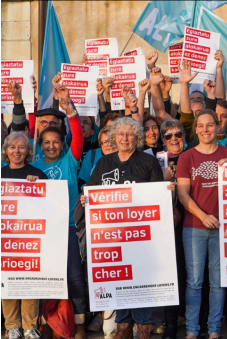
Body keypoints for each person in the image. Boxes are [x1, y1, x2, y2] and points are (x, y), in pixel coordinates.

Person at [82, 116, 165, 339]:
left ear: (137, 137)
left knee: (141, 281)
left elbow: (159, 199)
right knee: (121, 282)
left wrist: (168, 192)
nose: (125, 138)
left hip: (143, 237)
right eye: (120, 134)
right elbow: (90, 193)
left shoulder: (148, 162)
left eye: (129, 134)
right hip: (113, 238)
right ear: (114, 137)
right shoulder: (103, 164)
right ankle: (123, 326)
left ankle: (145, 327)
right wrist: (86, 200)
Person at [176, 110, 227, 339]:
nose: (205, 130)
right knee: (194, 282)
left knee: (218, 282)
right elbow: (183, 195)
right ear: (195, 129)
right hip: (195, 226)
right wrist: (203, 216)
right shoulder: (187, 157)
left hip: (224, 228)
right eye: (201, 126)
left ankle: (214, 330)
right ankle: (192, 331)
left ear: (217, 126)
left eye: (210, 125)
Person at [31, 85, 86, 339]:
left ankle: (79, 320)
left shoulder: (69, 160)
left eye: (56, 142)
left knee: (74, 276)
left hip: (70, 228)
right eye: (46, 142)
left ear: (63, 143)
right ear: (40, 144)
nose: (51, 146)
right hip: (44, 234)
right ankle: (50, 320)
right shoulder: (34, 165)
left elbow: (78, 136)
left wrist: (70, 110)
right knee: (48, 277)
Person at [1, 132, 48, 339]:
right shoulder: (0, 175)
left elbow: (48, 205)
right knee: (8, 280)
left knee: (29, 280)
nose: (17, 151)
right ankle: (12, 326)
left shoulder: (38, 175)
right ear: (6, 151)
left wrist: (38, 186)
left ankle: (30, 326)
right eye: (12, 147)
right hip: (7, 238)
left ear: (28, 151)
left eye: (21, 147)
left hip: (30, 238)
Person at [158, 119, 188, 339]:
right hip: (167, 223)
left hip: (192, 217)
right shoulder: (156, 160)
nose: (174, 139)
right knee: (172, 271)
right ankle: (171, 322)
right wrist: (162, 179)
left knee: (193, 272)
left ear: (184, 136)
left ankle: (195, 319)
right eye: (168, 136)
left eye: (178, 134)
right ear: (163, 140)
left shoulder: (194, 154)